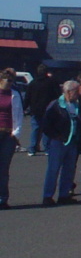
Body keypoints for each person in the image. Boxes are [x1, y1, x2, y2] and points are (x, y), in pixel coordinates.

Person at [40, 80, 81, 206]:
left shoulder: (77, 104)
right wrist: (55, 136)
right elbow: (46, 124)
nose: (78, 94)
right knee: (53, 169)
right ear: (68, 92)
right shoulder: (56, 105)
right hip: (58, 142)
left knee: (69, 170)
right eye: (76, 91)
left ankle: (64, 195)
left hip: (72, 141)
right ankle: (48, 196)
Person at [0, 68, 25, 210]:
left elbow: (19, 114)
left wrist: (16, 133)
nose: (10, 83)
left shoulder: (14, 94)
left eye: (11, 81)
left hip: (8, 134)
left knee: (3, 169)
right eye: (7, 80)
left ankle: (3, 198)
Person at [26, 64, 60, 156]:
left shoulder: (33, 83)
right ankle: (47, 148)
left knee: (35, 128)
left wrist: (24, 108)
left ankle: (32, 148)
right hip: (49, 109)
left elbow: (27, 97)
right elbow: (58, 95)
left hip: (35, 110)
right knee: (47, 129)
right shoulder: (52, 82)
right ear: (46, 72)